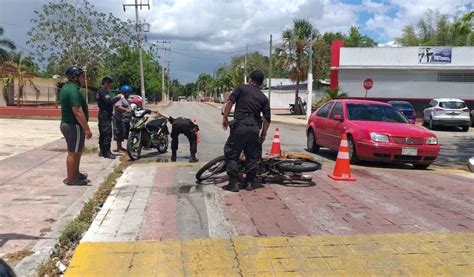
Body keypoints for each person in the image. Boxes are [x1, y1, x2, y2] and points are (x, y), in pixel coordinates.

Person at [222, 69, 271, 192]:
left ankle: (233, 184)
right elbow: (267, 119)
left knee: (232, 153)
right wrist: (263, 134)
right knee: (252, 156)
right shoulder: (263, 97)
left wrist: (225, 117)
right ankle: (249, 183)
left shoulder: (241, 88)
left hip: (240, 127)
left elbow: (230, 102)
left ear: (250, 79)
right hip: (255, 128)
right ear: (261, 83)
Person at [59, 66, 92, 186]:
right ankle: (71, 179)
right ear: (74, 78)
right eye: (82, 77)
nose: (84, 79)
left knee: (77, 151)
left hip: (68, 124)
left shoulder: (66, 88)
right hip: (74, 125)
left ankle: (76, 174)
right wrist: (87, 129)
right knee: (73, 152)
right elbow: (77, 111)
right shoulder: (73, 91)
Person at [97, 77, 123, 159]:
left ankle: (102, 151)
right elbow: (109, 102)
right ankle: (107, 152)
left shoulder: (102, 91)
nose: (110, 85)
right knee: (107, 134)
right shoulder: (102, 91)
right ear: (105, 83)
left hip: (103, 115)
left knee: (103, 134)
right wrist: (118, 97)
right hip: (105, 116)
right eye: (109, 83)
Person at [113, 85, 133, 152]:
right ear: (124, 92)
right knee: (119, 133)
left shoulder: (126, 99)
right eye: (128, 93)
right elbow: (117, 107)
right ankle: (119, 148)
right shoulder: (121, 98)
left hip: (125, 119)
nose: (129, 94)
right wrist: (126, 110)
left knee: (123, 133)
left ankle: (120, 147)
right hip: (119, 119)